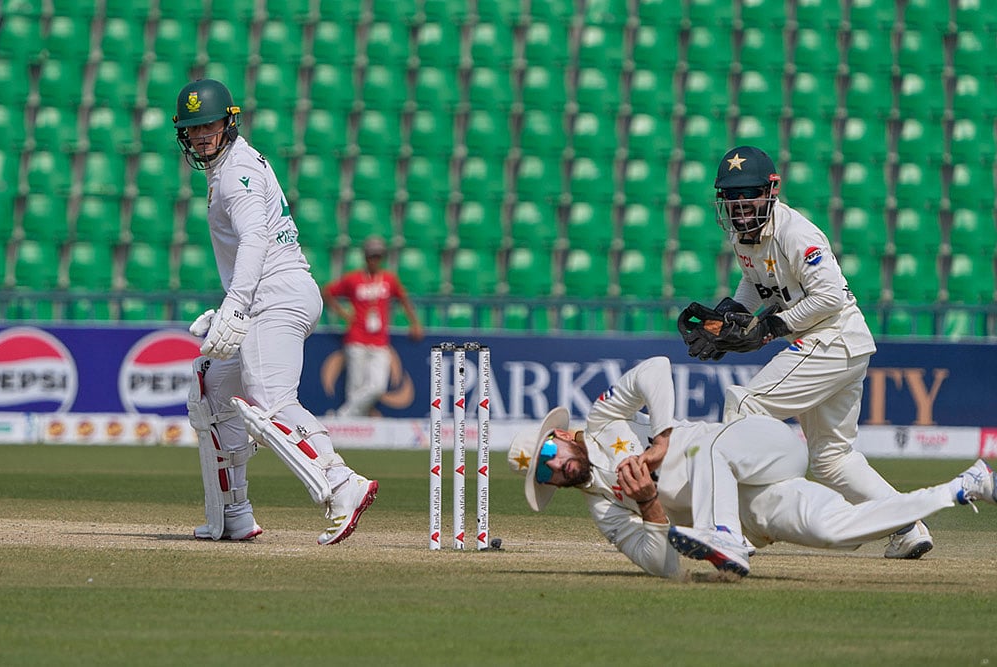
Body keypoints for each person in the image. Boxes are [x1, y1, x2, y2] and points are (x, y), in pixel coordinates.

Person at [507, 356, 996, 578]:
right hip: (750, 508)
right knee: (832, 530)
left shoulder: (602, 418)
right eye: (544, 475)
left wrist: (662, 437)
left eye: (549, 458)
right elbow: (666, 566)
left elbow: (654, 368)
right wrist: (650, 504)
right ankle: (964, 485)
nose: (555, 470)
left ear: (564, 436)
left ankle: (722, 534)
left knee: (705, 452)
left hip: (761, 444)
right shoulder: (605, 511)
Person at [680, 145, 933, 559]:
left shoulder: (796, 233)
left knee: (744, 406)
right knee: (833, 459)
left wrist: (771, 327)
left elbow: (830, 296)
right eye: (732, 196)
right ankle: (905, 525)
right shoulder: (742, 236)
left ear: (772, 189)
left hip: (831, 337)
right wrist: (733, 313)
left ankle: (732, 529)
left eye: (750, 194)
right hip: (844, 346)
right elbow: (755, 283)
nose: (741, 205)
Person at [174, 78, 378, 546]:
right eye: (193, 129)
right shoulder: (227, 168)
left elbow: (255, 239)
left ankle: (342, 484)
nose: (202, 136)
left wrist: (235, 306)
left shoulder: (235, 171)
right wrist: (233, 306)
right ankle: (233, 515)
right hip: (270, 294)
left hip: (275, 295)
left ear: (229, 122)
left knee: (270, 399)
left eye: (209, 125)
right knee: (209, 388)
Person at [321, 235, 424, 417]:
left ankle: (342, 417)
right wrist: (343, 313)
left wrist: (415, 323)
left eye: (378, 256)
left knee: (377, 386)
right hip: (356, 338)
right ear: (365, 257)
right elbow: (327, 292)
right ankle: (355, 432)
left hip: (379, 341)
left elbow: (404, 299)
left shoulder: (389, 280)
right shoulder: (353, 279)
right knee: (355, 386)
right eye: (371, 256)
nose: (374, 260)